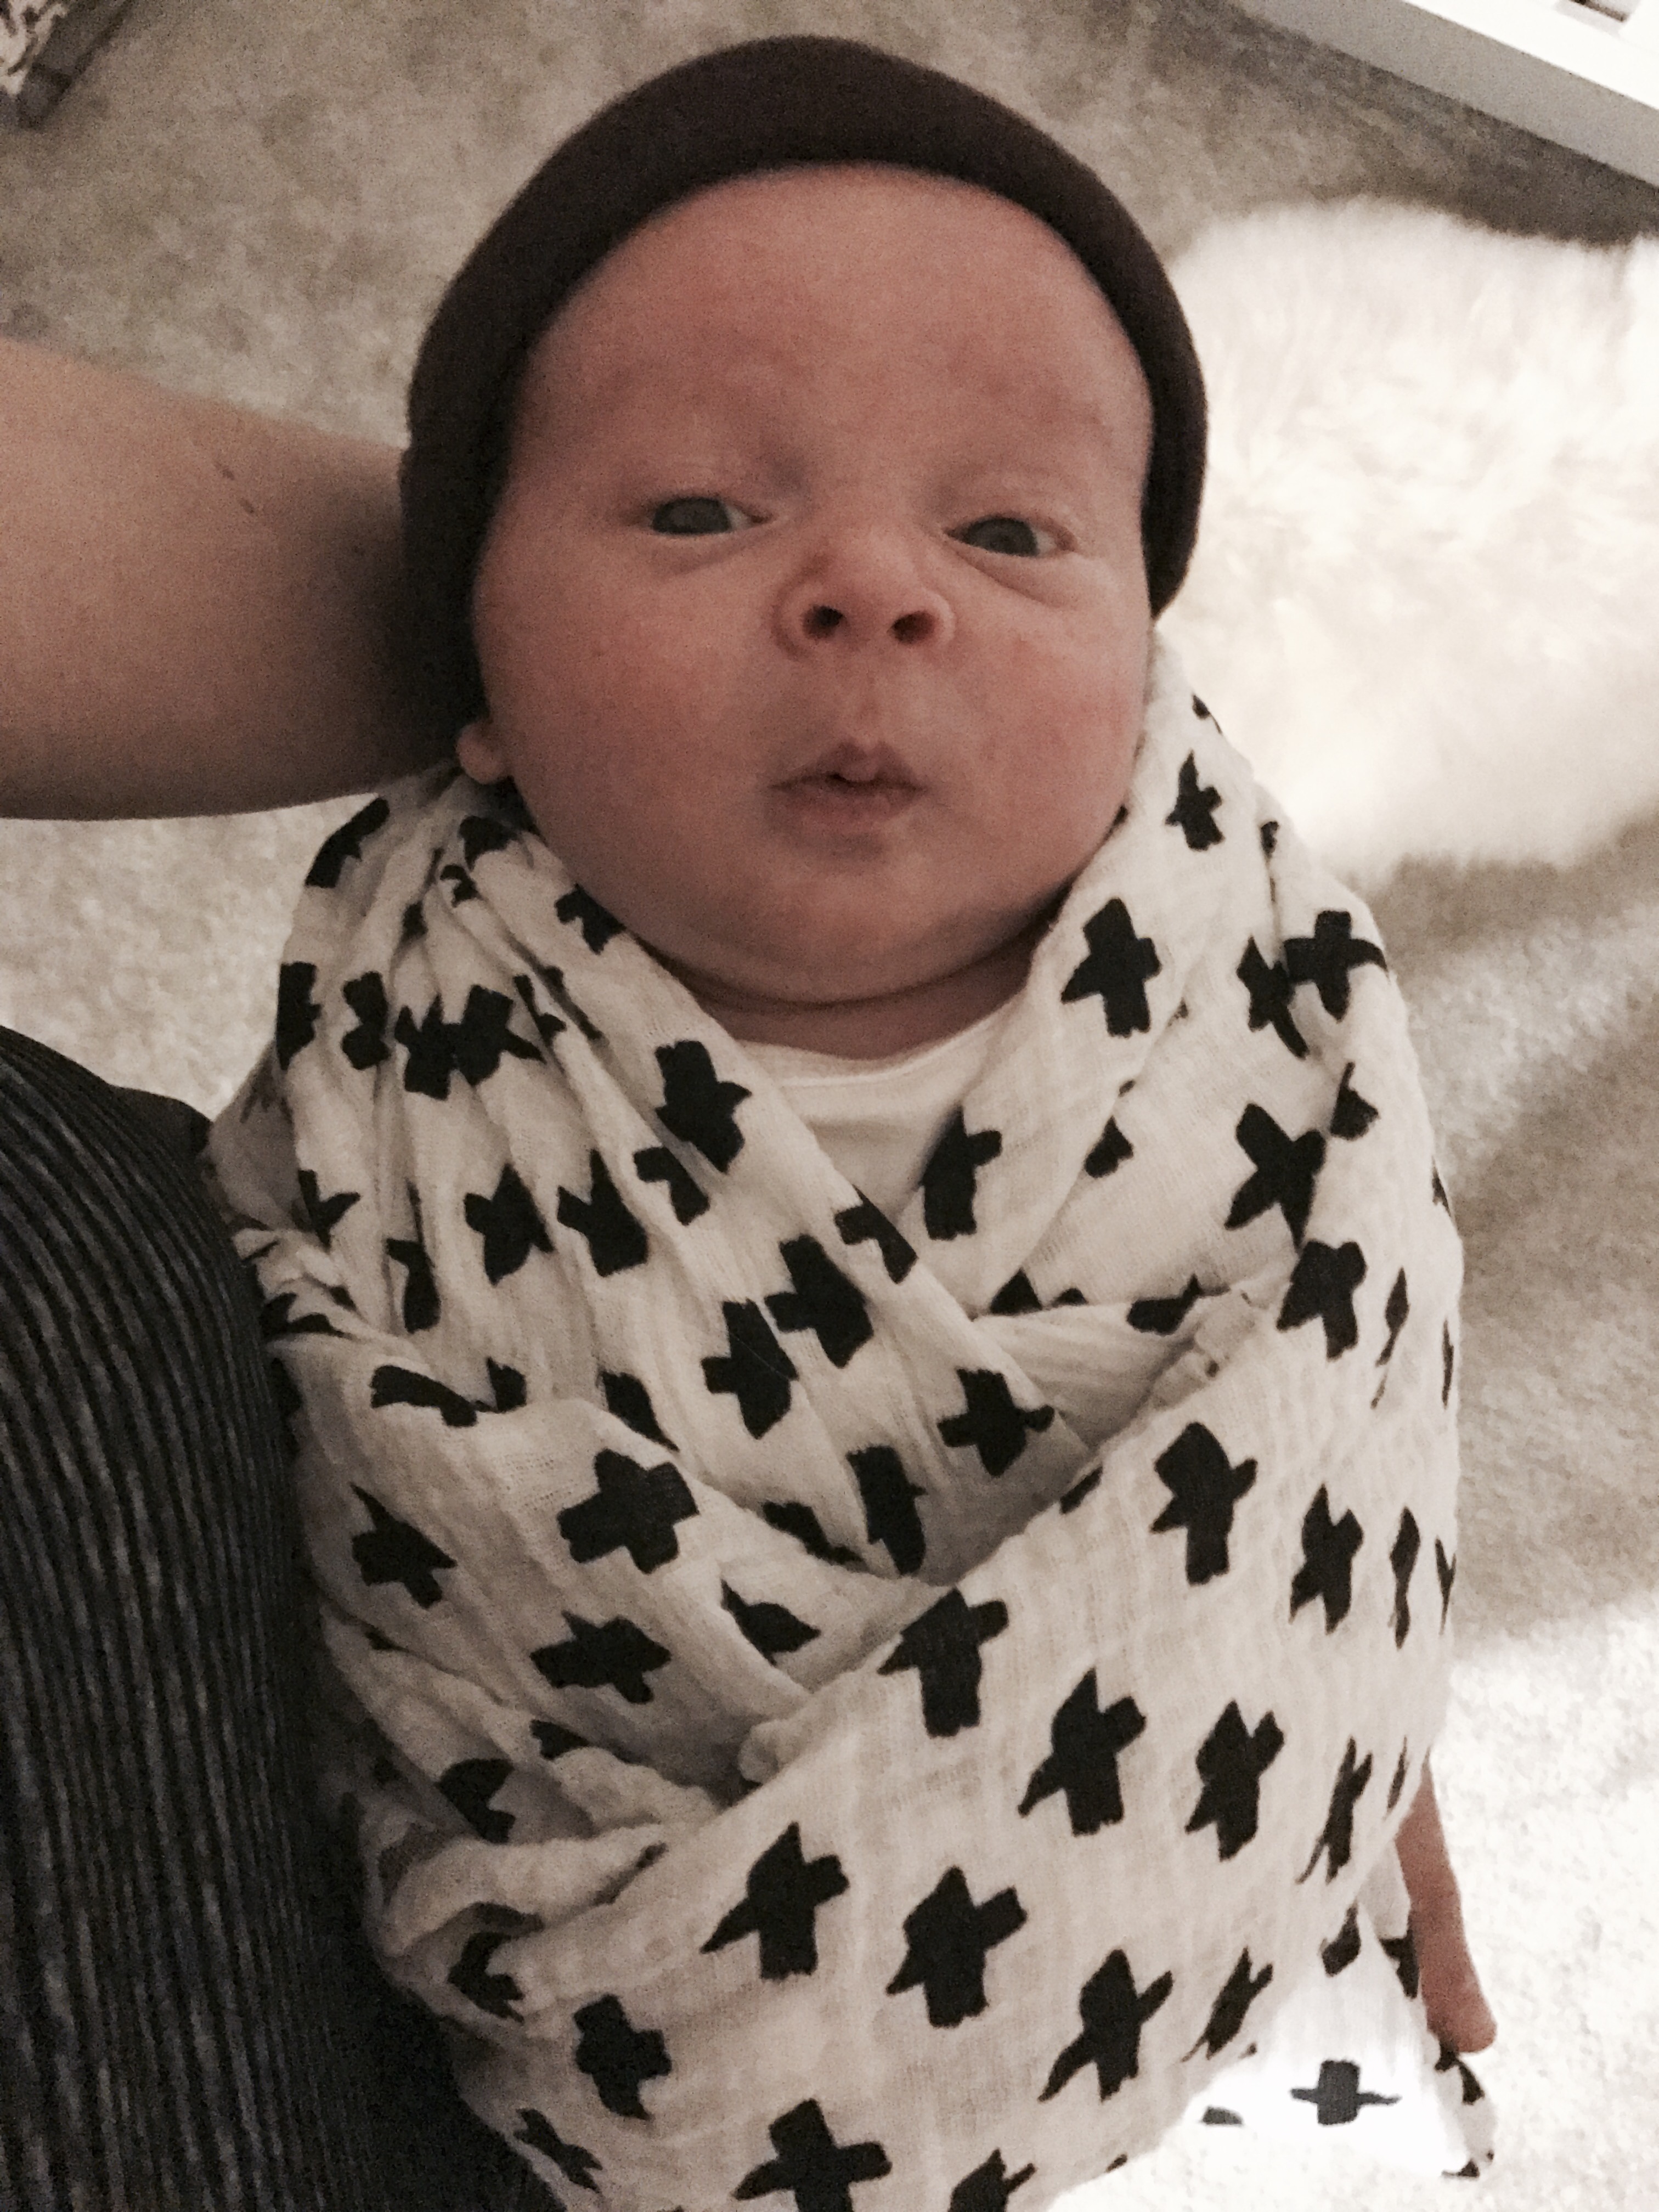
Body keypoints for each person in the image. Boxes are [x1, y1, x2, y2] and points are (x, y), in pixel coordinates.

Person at [0, 36, 1491, 2212]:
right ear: (470, 682)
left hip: (1192, 1905)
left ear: (1152, 681)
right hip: (583, 2019)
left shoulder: (1250, 983)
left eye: (1009, 529)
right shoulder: (410, 1022)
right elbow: (334, 1516)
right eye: (699, 511)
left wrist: (1279, 1626)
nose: (874, 583)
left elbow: (1351, 1385)